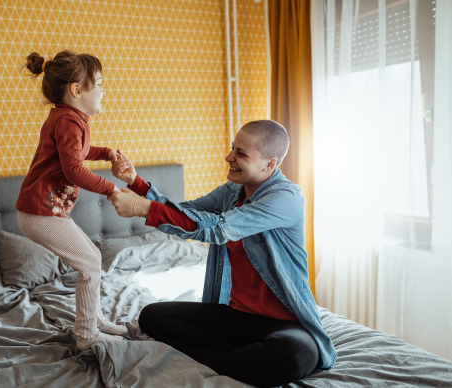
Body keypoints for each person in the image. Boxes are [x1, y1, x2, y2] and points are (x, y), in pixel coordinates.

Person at [108, 120, 336, 387]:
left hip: (284, 323)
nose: (229, 158)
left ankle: (207, 356)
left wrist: (143, 208)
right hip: (237, 317)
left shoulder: (286, 198)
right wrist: (136, 183)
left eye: (241, 153)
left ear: (269, 164)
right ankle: (231, 357)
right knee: (152, 316)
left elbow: (217, 230)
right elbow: (184, 214)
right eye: (232, 149)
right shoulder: (230, 192)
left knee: (294, 356)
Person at [15, 50, 128, 351]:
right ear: (77, 90)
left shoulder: (69, 119)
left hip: (46, 210)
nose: (105, 90)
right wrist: (111, 189)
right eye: (100, 83)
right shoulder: (68, 121)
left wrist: (105, 153)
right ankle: (86, 334)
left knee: (91, 256)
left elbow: (76, 153)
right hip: (41, 211)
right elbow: (74, 170)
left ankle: (95, 320)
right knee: (90, 263)